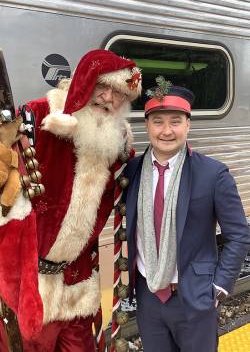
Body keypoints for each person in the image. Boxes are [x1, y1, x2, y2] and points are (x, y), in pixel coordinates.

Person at [0, 49, 141, 351]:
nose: (109, 99)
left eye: (120, 94)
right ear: (84, 83)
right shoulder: (37, 116)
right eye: (103, 87)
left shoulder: (117, 144)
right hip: (30, 285)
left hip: (78, 286)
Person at [123, 77, 250, 352]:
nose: (166, 130)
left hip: (195, 297)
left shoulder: (213, 174)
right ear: (147, 125)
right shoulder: (132, 172)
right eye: (158, 121)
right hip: (149, 297)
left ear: (188, 125)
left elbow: (238, 236)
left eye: (175, 121)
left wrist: (219, 287)